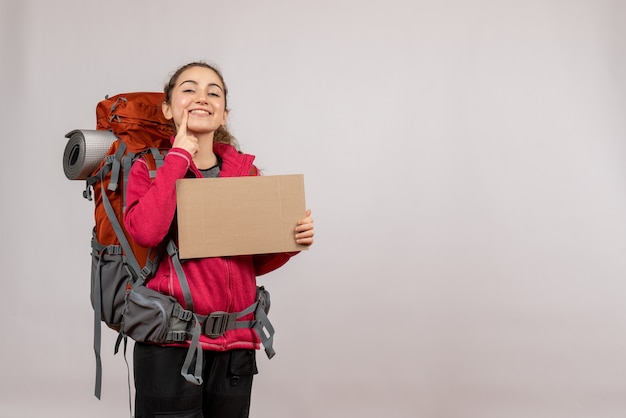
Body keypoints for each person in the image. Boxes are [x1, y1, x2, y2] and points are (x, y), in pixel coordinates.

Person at [123, 61, 315, 418]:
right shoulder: (148, 168)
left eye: (214, 92)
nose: (202, 97)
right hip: (171, 343)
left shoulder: (244, 173)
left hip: (236, 344)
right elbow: (146, 232)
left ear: (224, 113)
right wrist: (179, 156)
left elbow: (250, 262)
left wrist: (290, 242)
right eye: (189, 89)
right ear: (168, 108)